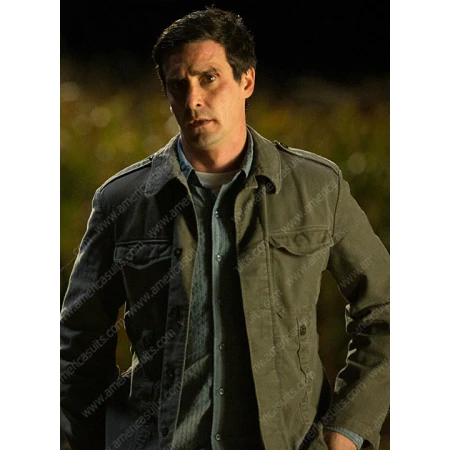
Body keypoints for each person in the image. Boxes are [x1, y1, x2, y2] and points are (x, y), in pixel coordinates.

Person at [60, 7, 389, 450]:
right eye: (179, 85)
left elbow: (386, 308)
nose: (193, 98)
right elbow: (78, 341)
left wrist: (346, 431)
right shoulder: (123, 200)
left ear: (246, 80)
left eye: (208, 78)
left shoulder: (315, 188)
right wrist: (91, 439)